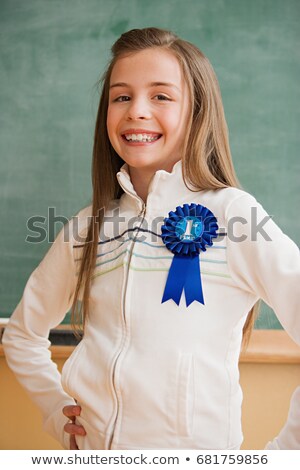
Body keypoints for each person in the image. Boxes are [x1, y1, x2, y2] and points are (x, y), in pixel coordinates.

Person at [3, 27, 300, 450]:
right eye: (121, 96)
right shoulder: (87, 229)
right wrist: (55, 409)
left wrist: (284, 456)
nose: (136, 111)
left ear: (197, 112)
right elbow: (21, 334)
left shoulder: (235, 215)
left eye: (161, 95)